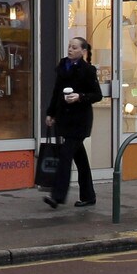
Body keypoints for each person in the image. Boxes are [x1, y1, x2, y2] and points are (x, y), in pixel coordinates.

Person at [44, 34, 103, 208]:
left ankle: (57, 196)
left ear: (83, 51)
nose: (70, 50)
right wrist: (50, 113)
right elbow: (56, 92)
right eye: (69, 46)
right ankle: (88, 196)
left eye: (74, 47)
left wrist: (80, 96)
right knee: (81, 160)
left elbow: (97, 95)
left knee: (65, 155)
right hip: (65, 119)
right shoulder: (63, 66)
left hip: (80, 122)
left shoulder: (88, 70)